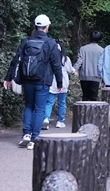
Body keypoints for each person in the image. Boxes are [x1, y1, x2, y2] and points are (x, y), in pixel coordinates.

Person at [3, 14, 64, 149]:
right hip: (43, 81)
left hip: (27, 80)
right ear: (47, 27)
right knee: (40, 108)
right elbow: (56, 65)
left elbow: (16, 60)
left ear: (35, 26)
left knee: (29, 106)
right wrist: (60, 83)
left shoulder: (26, 41)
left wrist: (8, 78)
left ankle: (26, 134)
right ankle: (34, 138)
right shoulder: (51, 43)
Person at [43, 41, 75, 129]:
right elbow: (70, 70)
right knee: (62, 102)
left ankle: (46, 119)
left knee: (49, 102)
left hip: (52, 83)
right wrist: (74, 71)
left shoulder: (50, 57)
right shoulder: (66, 59)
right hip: (63, 83)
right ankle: (60, 121)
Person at [75, 30, 104, 101]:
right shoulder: (102, 50)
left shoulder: (83, 49)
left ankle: (83, 108)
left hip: (84, 76)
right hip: (96, 76)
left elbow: (79, 61)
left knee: (85, 96)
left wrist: (74, 69)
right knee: (93, 98)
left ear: (90, 38)